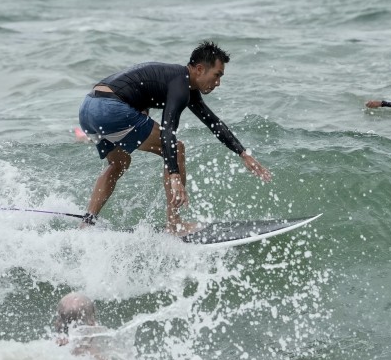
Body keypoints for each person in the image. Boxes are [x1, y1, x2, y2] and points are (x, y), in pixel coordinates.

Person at [78, 40, 272, 235]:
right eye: (217, 75)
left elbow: (213, 123)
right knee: (177, 149)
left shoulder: (180, 83)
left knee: (119, 163)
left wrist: (242, 153)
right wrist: (174, 174)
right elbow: (168, 130)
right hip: (111, 109)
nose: (218, 83)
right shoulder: (180, 86)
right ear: (199, 69)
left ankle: (88, 222)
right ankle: (175, 224)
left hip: (88, 108)